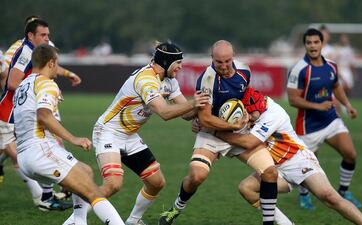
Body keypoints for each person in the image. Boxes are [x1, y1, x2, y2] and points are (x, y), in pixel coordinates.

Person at [77, 42, 209, 225]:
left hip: (129, 136)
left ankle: (133, 220)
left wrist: (204, 111)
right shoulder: (146, 80)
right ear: (166, 62)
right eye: (178, 62)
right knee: (113, 184)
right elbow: (164, 112)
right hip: (108, 132)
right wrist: (193, 103)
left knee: (156, 182)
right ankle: (75, 220)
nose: (181, 67)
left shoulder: (170, 81)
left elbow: (186, 112)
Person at [159, 40, 278, 225]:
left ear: (233, 57)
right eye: (218, 62)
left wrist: (252, 114)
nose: (223, 66)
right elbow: (206, 119)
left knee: (270, 172)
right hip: (212, 132)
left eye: (227, 61)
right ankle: (176, 207)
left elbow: (246, 97)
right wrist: (232, 125)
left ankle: (269, 223)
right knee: (197, 176)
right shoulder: (207, 80)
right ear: (211, 59)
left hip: (238, 129)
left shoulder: (244, 71)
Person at [216, 87, 362, 225]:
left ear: (258, 106)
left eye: (251, 113)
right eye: (246, 113)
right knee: (246, 188)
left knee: (329, 197)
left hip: (298, 159)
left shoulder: (274, 113)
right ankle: (285, 223)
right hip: (275, 170)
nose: (249, 117)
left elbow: (249, 142)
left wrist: (218, 132)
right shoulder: (244, 118)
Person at [13, 44, 125, 225]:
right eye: (57, 64)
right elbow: (44, 115)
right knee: (94, 193)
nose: (58, 69)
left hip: (24, 156)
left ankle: (78, 222)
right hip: (40, 150)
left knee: (85, 171)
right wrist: (74, 139)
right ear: (51, 63)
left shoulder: (23, 86)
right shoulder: (47, 83)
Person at [0, 17, 72, 210]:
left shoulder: (34, 51)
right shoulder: (25, 51)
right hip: (9, 113)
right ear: (30, 35)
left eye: (48, 35)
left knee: (43, 146)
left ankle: (47, 196)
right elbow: (13, 83)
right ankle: (51, 194)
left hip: (19, 112)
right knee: (32, 152)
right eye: (43, 35)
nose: (47, 39)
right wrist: (40, 87)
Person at [286, 28, 362, 210]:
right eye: (309, 43)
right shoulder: (299, 69)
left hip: (331, 120)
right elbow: (292, 99)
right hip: (308, 127)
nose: (312, 46)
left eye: (316, 42)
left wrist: (347, 105)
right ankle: (304, 196)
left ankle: (344, 191)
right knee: (306, 167)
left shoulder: (331, 66)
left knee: (350, 154)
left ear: (322, 44)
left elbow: (336, 86)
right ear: (305, 45)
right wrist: (317, 106)